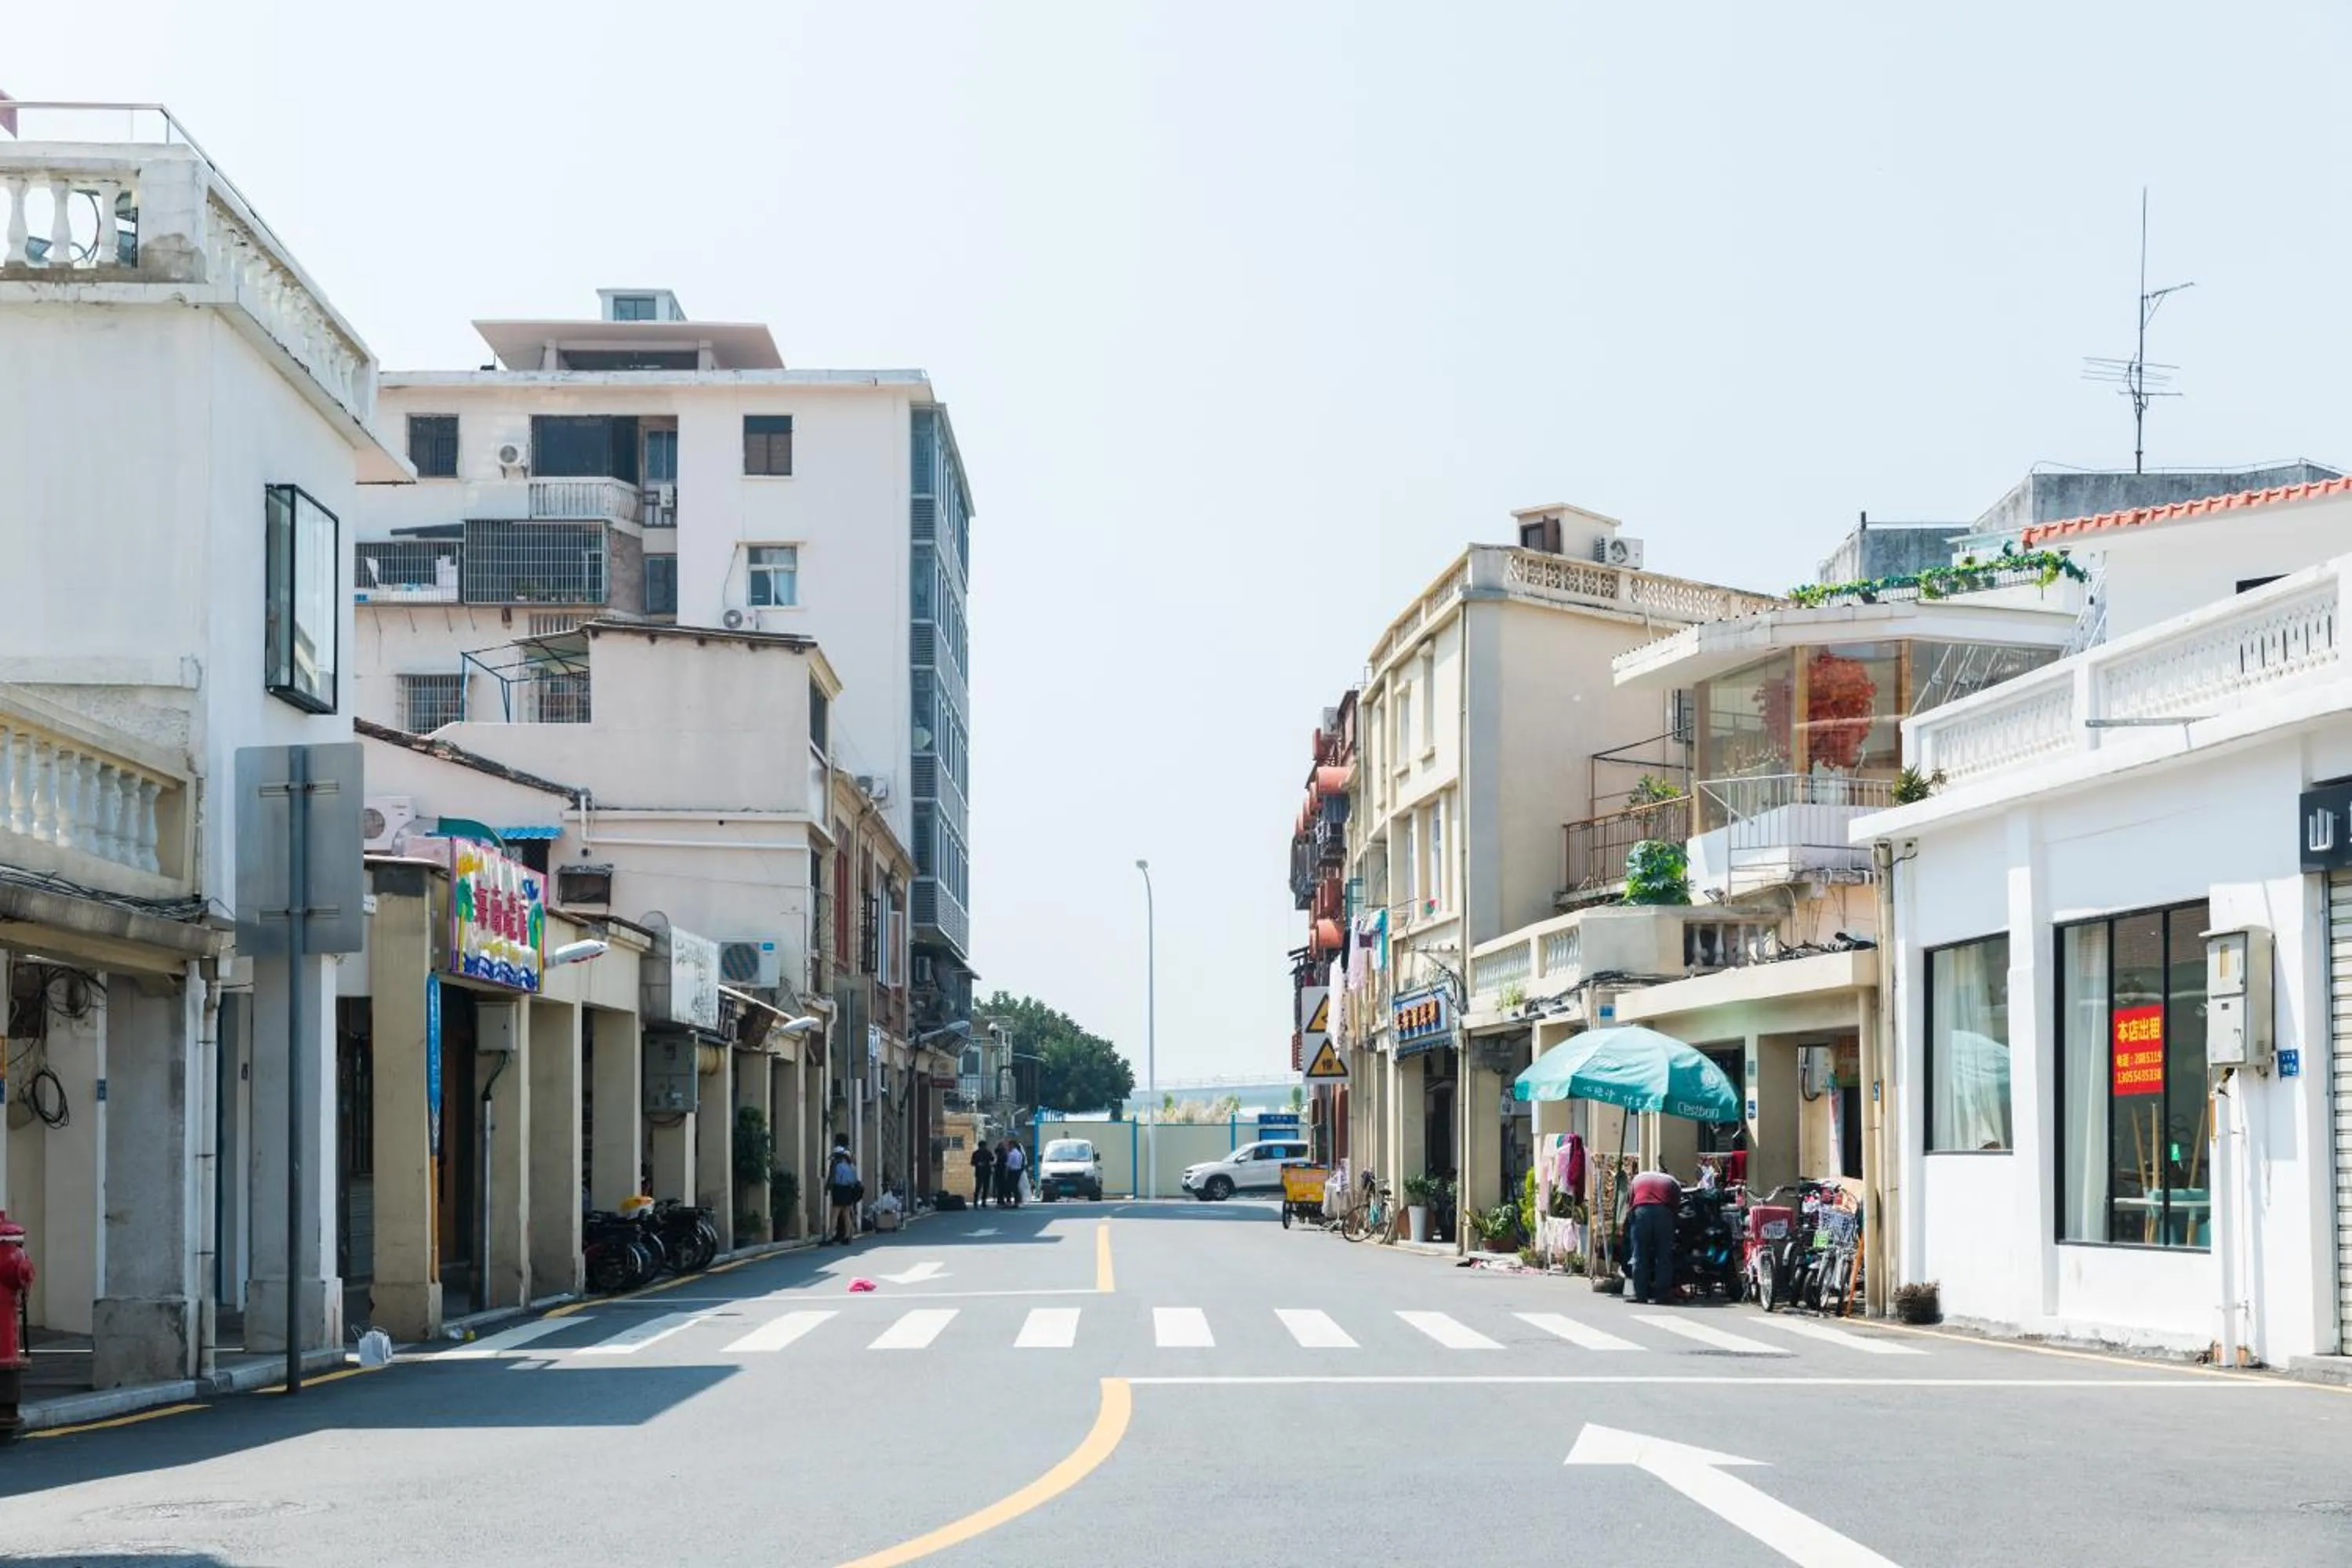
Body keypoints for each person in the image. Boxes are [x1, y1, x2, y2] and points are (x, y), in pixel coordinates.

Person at [1625, 1166, 1682, 1305]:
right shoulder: (1673, 1182)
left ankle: (1640, 1295)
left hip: (1641, 1212)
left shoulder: (1638, 1179)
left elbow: (1630, 1202)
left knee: (1639, 1255)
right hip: (1663, 1213)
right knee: (1664, 1256)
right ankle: (1662, 1296)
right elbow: (1676, 1206)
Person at [827, 1138, 862, 1246]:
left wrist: (827, 1188)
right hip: (848, 1190)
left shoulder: (836, 1165)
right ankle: (848, 1236)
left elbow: (832, 1179)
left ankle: (829, 1237)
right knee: (846, 1214)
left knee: (835, 1214)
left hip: (838, 1189)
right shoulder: (850, 1165)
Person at [970, 1139, 996, 1209]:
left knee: (986, 1188)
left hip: (987, 1172)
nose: (984, 1147)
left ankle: (983, 1202)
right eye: (983, 1146)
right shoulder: (976, 1153)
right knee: (978, 1188)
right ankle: (975, 1202)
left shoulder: (988, 1152)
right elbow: (972, 1163)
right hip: (979, 1172)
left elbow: (992, 1159)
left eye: (984, 1146)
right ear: (980, 1146)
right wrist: (978, 1163)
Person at [1001, 1138, 1026, 1207]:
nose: (1008, 1147)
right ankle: (1017, 1202)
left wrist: (1006, 1173)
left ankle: (1010, 1202)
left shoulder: (1012, 1154)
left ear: (1012, 1145)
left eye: (1009, 1145)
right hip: (1018, 1171)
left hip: (1012, 1172)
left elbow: (1008, 1165)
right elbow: (1021, 1163)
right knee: (1015, 1187)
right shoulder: (1020, 1154)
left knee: (1009, 1187)